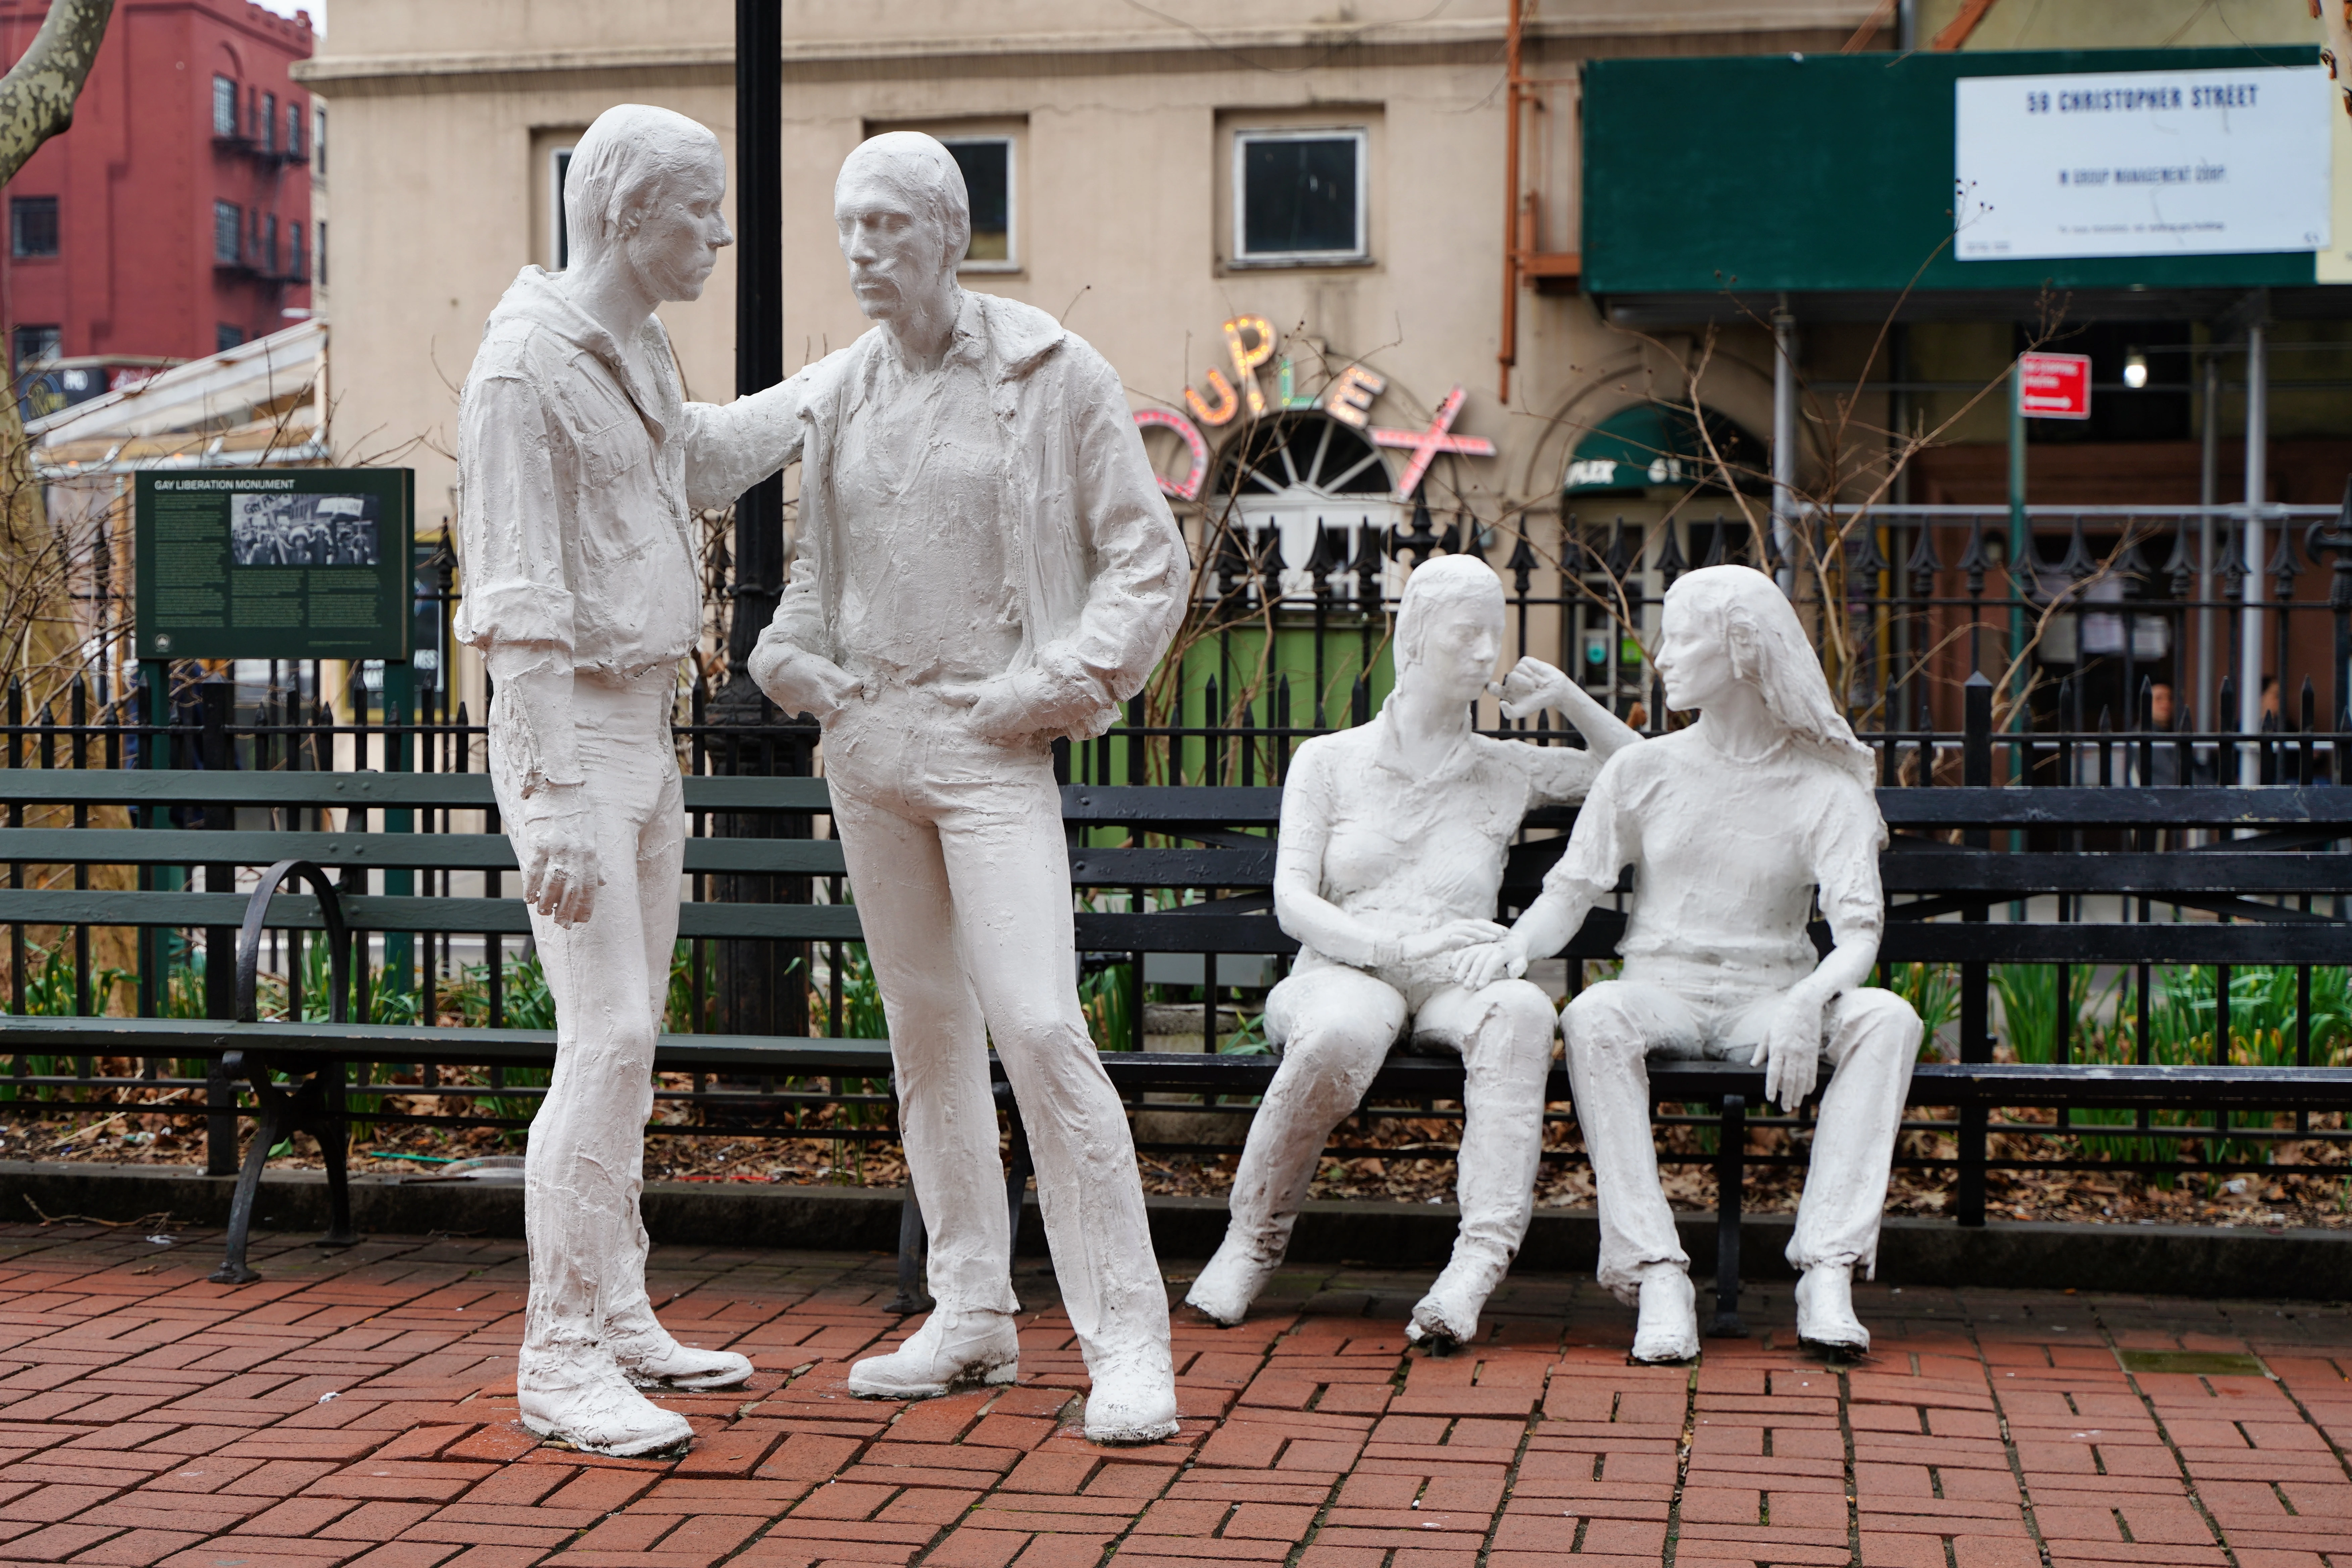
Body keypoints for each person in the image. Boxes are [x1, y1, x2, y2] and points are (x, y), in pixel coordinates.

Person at [748, 133, 1189, 1442]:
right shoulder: (841, 395)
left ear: (950, 232)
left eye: (887, 223)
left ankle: (1128, 1340)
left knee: (1040, 1026)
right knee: (926, 1038)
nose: (862, 249)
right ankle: (971, 1309)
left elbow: (1147, 561)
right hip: (868, 748)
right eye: (849, 225)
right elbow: (820, 579)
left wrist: (1052, 684)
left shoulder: (1054, 373)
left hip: (991, 742)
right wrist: (787, 656)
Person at [454, 104, 806, 1456]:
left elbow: (698, 460)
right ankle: (559, 1356)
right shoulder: (522, 369)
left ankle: (617, 1308)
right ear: (626, 213)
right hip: (575, 739)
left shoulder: (637, 347)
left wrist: (827, 393)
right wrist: (548, 802)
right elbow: (517, 604)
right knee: (601, 1042)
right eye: (700, 209)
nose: (721, 231)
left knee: (629, 1041)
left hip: (645, 734)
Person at [1453, 565, 1920, 1362]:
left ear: (1742, 652)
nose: (1662, 657)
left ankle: (1828, 1269)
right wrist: (1517, 943)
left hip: (1767, 996)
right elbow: (1571, 891)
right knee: (1595, 1014)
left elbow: (1859, 937)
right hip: (1661, 990)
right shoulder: (1644, 771)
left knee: (1889, 1018)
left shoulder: (1824, 788)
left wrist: (1808, 998)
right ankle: (1655, 1272)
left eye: (1680, 638)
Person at [1185, 555, 1639, 1345]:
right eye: (1468, 632)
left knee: (1522, 1009)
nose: (1486, 652)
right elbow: (1294, 901)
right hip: (1345, 970)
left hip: (1456, 976)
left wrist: (1568, 696)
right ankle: (1251, 1239)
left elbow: (1642, 774)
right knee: (1340, 1032)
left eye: (1495, 633)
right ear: (1417, 635)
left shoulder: (1506, 767)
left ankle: (1475, 1265)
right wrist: (1393, 942)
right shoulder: (1330, 761)